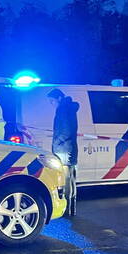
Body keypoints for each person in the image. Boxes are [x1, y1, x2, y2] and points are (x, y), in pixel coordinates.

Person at [48, 88, 80, 216]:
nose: (51, 103)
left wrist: (57, 143)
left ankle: (67, 209)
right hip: (69, 148)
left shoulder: (63, 109)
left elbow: (66, 130)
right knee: (71, 178)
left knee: (66, 179)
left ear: (59, 98)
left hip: (64, 149)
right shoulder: (68, 108)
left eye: (52, 101)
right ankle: (71, 208)